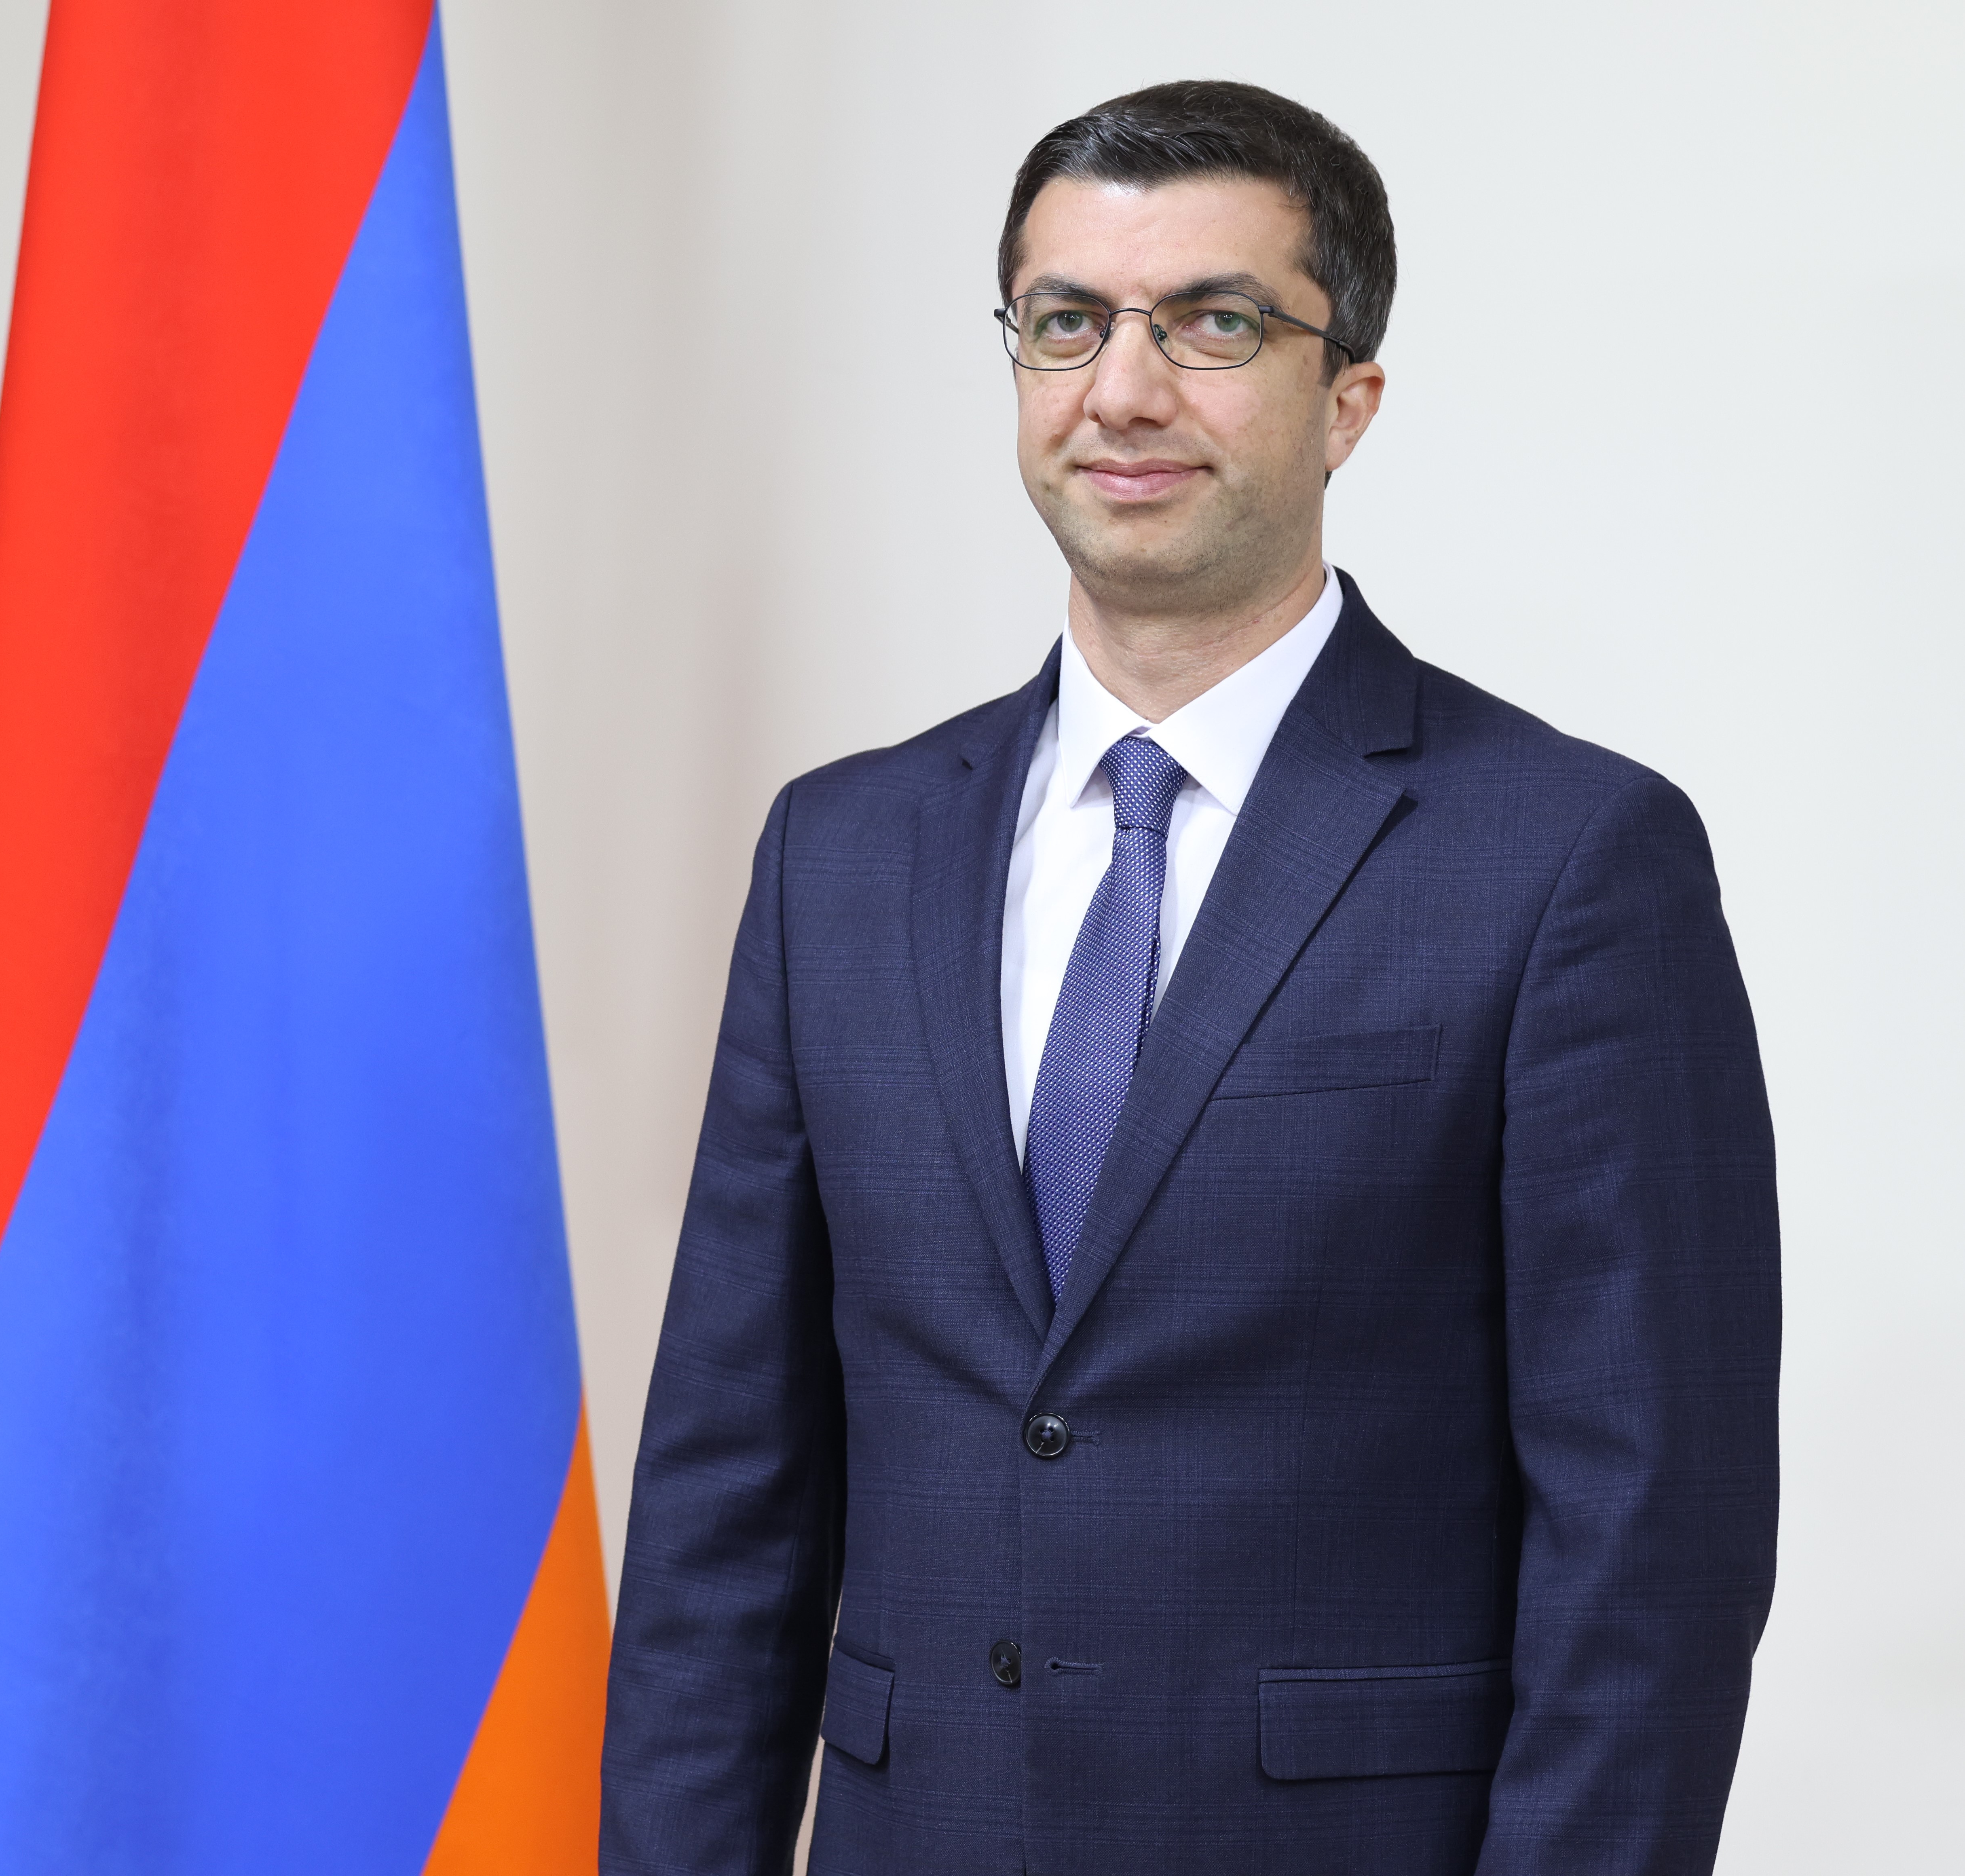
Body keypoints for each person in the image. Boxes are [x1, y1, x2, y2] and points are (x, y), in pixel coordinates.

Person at [599, 80, 1779, 1876]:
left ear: (1348, 398)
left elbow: (1652, 1547)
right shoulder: (838, 852)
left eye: (1213, 324)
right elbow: (723, 1498)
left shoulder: (1568, 857)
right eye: (1067, 321)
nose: (1124, 390)